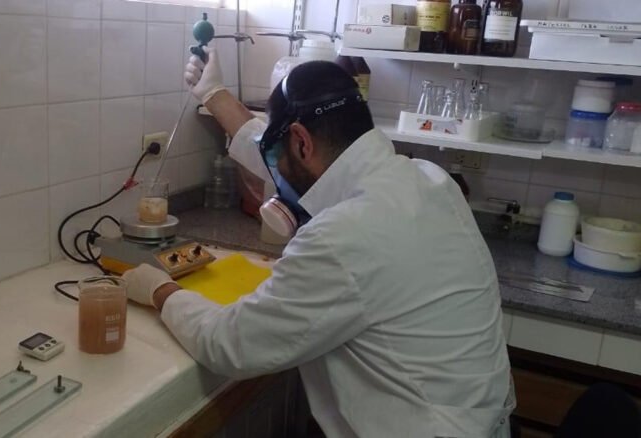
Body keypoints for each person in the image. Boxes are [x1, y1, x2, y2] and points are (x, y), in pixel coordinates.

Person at [122, 47, 515, 437]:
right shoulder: (429, 179)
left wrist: (161, 291)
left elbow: (230, 345)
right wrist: (214, 95)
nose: (276, 175)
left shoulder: (342, 236)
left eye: (281, 156)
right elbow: (285, 156)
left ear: (301, 142)